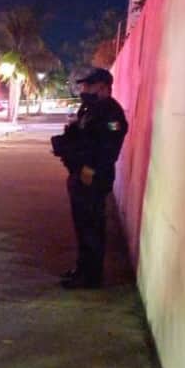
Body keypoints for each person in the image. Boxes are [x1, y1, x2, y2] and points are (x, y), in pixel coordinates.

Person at [51, 67, 128, 289]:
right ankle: (82, 269)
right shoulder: (91, 109)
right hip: (79, 174)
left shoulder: (111, 112)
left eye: (89, 85)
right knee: (82, 226)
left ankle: (91, 277)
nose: (84, 89)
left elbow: (109, 146)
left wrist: (91, 169)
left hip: (93, 178)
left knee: (92, 227)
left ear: (103, 87)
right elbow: (82, 137)